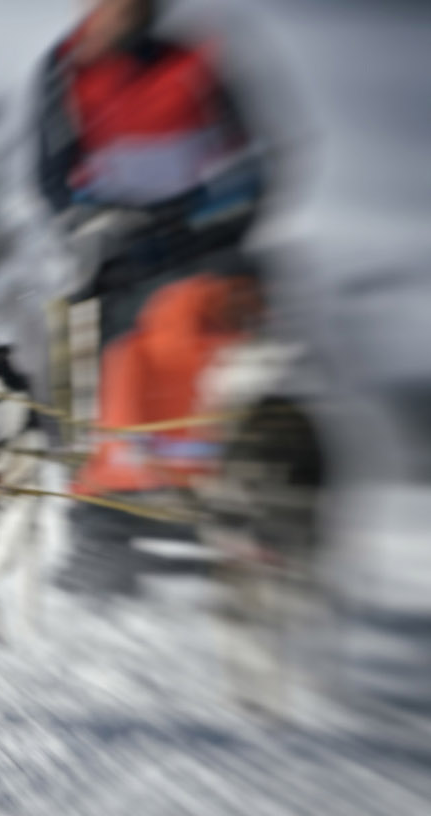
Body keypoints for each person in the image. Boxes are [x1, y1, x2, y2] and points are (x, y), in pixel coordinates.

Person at [32, 0, 270, 593]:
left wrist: (219, 213)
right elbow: (54, 175)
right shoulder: (65, 68)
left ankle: (245, 483)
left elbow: (247, 157)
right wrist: (89, 219)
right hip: (119, 244)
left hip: (205, 239)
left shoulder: (195, 60)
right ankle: (105, 516)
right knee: (101, 351)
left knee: (227, 343)